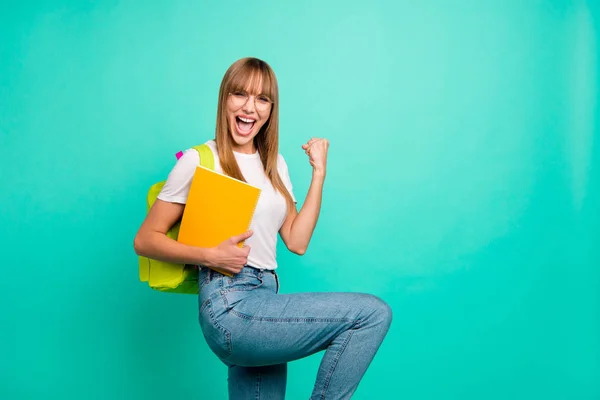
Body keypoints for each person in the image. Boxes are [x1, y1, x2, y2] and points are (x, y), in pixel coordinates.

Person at [133, 57, 392, 399]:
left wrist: (319, 174)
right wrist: (209, 255)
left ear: (271, 109)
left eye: (262, 99)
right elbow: (145, 239)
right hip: (230, 304)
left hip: (266, 303)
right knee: (370, 314)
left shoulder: (275, 165)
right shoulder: (199, 160)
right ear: (225, 99)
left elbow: (297, 241)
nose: (249, 107)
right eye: (240, 94)